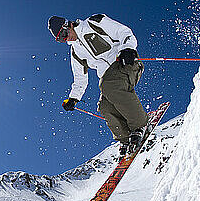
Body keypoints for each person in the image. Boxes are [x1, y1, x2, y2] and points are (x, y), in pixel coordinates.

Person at [48, 14, 148, 156]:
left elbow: (123, 31)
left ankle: (140, 125)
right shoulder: (75, 52)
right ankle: (126, 139)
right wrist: (73, 98)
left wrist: (128, 49)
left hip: (125, 63)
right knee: (104, 107)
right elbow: (80, 78)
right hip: (110, 79)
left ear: (68, 24)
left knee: (108, 86)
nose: (66, 39)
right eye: (61, 39)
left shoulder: (94, 23)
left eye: (64, 34)